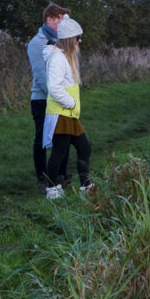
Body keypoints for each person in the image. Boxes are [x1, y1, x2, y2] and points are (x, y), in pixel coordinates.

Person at [42, 17, 93, 200]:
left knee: (84, 148)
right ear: (70, 39)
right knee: (59, 151)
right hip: (61, 112)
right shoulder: (57, 58)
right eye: (78, 38)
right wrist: (70, 103)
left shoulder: (66, 57)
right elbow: (54, 87)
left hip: (68, 114)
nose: (80, 41)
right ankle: (52, 188)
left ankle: (87, 187)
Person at [28, 3, 69, 193]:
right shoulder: (37, 44)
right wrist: (60, 96)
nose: (62, 23)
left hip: (60, 97)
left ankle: (61, 175)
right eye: (60, 19)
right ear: (49, 19)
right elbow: (42, 76)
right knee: (42, 140)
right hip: (42, 99)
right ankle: (42, 178)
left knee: (63, 137)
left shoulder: (62, 42)